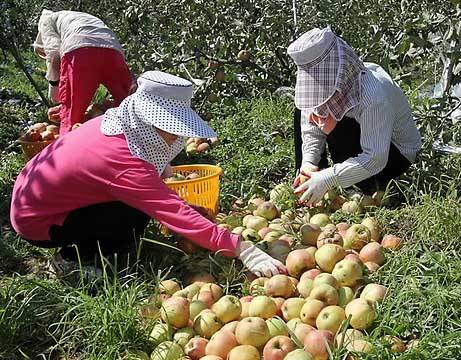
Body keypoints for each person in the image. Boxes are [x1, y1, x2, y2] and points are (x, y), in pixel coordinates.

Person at [10, 71, 286, 278]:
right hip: (40, 222)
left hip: (39, 199)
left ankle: (96, 243)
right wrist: (241, 248)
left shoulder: (117, 124)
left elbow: (155, 191)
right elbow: (168, 209)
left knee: (138, 207)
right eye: (171, 126)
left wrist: (188, 210)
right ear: (149, 122)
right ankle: (72, 259)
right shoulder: (123, 160)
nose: (177, 133)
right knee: (133, 213)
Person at [287, 26, 422, 205]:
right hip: (368, 145)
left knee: (342, 120)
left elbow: (375, 158)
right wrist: (308, 162)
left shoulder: (372, 96)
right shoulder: (338, 85)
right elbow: (310, 115)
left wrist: (329, 178)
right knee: (305, 107)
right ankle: (312, 181)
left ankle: (363, 185)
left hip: (393, 155)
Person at [33, 9, 132, 135]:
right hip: (113, 50)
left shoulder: (46, 21)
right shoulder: (77, 16)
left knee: (72, 116)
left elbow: (52, 54)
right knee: (129, 104)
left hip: (80, 52)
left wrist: (54, 87)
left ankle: (67, 151)